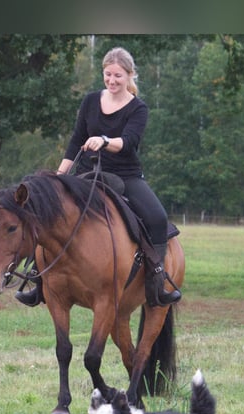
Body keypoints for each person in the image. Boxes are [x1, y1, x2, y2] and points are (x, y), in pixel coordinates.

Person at [15, 46, 181, 308]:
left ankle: (156, 283)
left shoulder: (138, 108)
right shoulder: (91, 101)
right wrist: (59, 177)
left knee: (157, 218)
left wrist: (104, 141)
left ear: (129, 76)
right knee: (47, 210)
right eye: (108, 75)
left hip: (125, 176)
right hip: (86, 174)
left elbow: (129, 142)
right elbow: (75, 142)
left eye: (118, 76)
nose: (112, 81)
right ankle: (38, 280)